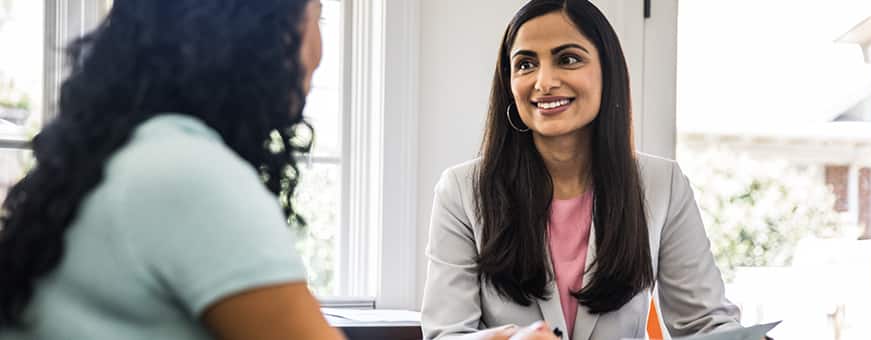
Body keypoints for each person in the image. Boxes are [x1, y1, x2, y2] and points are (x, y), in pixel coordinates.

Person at [0, 0, 344, 339]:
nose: (320, 51)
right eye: (316, 17)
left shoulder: (124, 155)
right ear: (265, 33)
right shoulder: (192, 176)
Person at [421, 0, 741, 339]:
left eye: (568, 59)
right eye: (526, 64)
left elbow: (706, 325)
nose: (544, 82)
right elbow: (445, 335)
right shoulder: (461, 190)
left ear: (607, 71)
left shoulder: (663, 185)